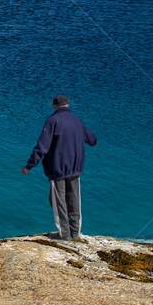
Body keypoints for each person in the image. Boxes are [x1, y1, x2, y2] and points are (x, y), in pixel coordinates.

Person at [21, 93, 97, 241]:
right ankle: (75, 233)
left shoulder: (52, 121)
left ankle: (64, 235)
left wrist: (29, 166)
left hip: (57, 169)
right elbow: (92, 140)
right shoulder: (76, 120)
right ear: (68, 104)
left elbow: (42, 147)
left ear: (54, 105)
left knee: (58, 201)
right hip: (75, 169)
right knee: (74, 199)